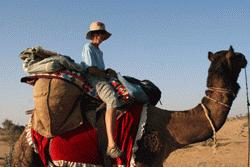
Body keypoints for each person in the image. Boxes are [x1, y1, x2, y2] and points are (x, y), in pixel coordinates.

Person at [81, 21, 123, 158]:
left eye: (102, 33)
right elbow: (91, 69)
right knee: (112, 100)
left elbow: (99, 69)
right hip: (94, 79)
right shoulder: (88, 47)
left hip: (101, 77)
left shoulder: (99, 51)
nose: (100, 36)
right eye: (97, 33)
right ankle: (111, 145)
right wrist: (105, 74)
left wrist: (108, 71)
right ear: (93, 35)